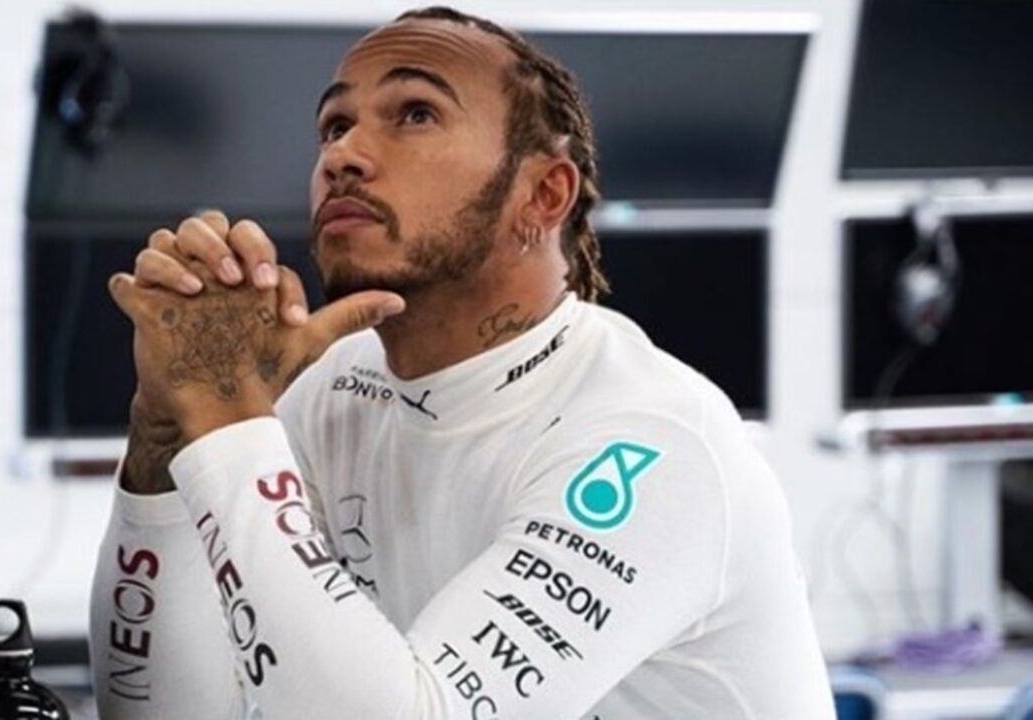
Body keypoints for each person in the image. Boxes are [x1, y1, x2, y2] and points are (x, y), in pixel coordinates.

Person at [90, 7, 834, 719]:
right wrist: (165, 435)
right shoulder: (332, 388)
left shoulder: (652, 439)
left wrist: (228, 418)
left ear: (543, 195)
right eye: (335, 125)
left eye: (415, 113)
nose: (342, 155)